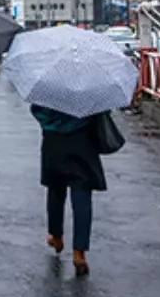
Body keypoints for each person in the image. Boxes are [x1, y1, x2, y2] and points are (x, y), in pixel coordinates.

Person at [32, 105, 107, 276]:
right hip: (82, 140)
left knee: (55, 189)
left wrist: (49, 123)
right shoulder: (89, 84)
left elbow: (36, 110)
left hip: (53, 140)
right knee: (82, 195)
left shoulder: (49, 84)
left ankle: (56, 235)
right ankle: (79, 253)